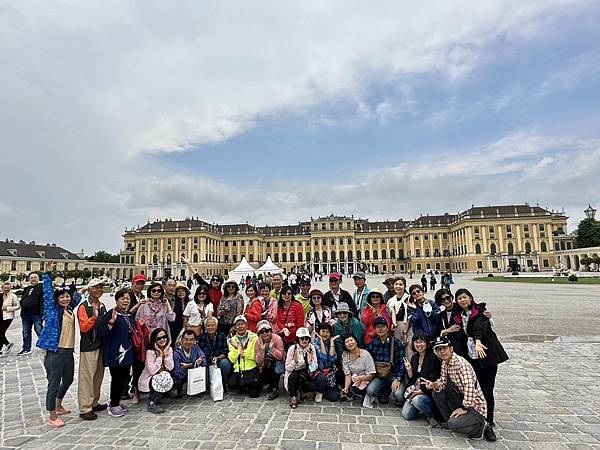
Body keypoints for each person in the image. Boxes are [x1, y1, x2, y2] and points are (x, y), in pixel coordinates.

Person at [454, 288, 508, 433]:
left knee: (487, 389)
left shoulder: (480, 312)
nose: (462, 300)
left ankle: (489, 420)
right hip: (472, 357)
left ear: (470, 298)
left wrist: (478, 341)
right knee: (475, 387)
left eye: (465, 297)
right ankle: (478, 415)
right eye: (459, 298)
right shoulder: (459, 315)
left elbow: (479, 328)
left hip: (486, 355)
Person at [36, 261, 83, 428]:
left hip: (68, 350)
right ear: (57, 299)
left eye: (66, 296)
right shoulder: (52, 310)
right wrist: (47, 274)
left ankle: (58, 404)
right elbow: (48, 294)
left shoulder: (69, 309)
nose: (65, 298)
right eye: (62, 297)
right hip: (55, 351)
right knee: (54, 383)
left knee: (68, 379)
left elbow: (76, 297)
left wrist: (78, 290)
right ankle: (52, 415)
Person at [423, 337, 494, 441]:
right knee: (437, 393)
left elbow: (469, 387)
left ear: (451, 348)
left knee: (454, 424)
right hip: (461, 399)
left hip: (475, 406)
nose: (442, 351)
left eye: (444, 348)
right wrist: (433, 384)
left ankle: (480, 426)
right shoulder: (445, 363)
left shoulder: (461, 364)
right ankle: (452, 420)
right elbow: (442, 383)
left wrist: (464, 409)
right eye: (439, 349)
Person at [100, 288, 137, 418]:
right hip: (116, 353)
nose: (125, 301)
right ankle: (113, 404)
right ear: (116, 300)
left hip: (127, 352)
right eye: (122, 298)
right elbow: (103, 333)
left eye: (127, 298)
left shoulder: (127, 315)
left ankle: (117, 401)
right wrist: (111, 323)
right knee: (117, 378)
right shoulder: (112, 314)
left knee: (124, 377)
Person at [77, 278, 108, 420]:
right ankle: (85, 408)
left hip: (101, 344)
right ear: (89, 289)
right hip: (89, 346)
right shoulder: (84, 306)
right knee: (86, 377)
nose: (99, 290)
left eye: (100, 288)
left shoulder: (101, 305)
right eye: (96, 288)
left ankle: (94, 402)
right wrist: (94, 318)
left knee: (98, 376)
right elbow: (83, 328)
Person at [402, 333, 441, 425]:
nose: (419, 344)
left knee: (417, 400)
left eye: (422, 342)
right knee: (406, 415)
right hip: (416, 388)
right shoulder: (415, 358)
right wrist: (409, 370)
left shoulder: (433, 358)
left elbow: (433, 380)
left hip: (428, 391)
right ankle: (421, 407)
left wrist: (419, 392)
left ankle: (430, 415)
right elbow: (412, 379)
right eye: (416, 342)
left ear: (427, 343)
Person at [365, 318, 404, 407]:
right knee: (370, 391)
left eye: (383, 326)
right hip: (380, 375)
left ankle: (392, 389)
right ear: (375, 329)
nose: (380, 329)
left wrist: (398, 379)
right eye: (378, 327)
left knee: (399, 395)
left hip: (393, 375)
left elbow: (402, 362)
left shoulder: (396, 343)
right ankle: (384, 390)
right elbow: (366, 356)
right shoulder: (373, 342)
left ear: (387, 328)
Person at [139, 328, 174, 414]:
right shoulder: (150, 352)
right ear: (154, 340)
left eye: (164, 337)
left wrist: (165, 355)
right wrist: (159, 357)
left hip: (164, 376)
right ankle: (153, 403)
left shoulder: (169, 350)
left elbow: (170, 367)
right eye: (159, 338)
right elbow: (152, 371)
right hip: (150, 379)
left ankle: (166, 392)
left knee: (169, 376)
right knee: (158, 378)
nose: (162, 340)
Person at [227, 315, 261, 397]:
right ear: (235, 327)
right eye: (238, 325)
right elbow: (231, 358)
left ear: (246, 325)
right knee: (232, 385)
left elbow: (253, 354)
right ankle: (244, 385)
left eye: (242, 324)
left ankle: (251, 385)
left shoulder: (254, 337)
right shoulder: (232, 340)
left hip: (251, 368)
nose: (240, 326)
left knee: (254, 395)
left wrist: (241, 351)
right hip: (239, 369)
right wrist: (239, 352)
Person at [284, 327, 318, 409]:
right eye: (302, 338)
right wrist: (294, 362)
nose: (304, 340)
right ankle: (293, 396)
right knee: (294, 376)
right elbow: (287, 368)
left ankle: (302, 390)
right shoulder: (292, 349)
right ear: (297, 339)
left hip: (305, 373)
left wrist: (310, 363)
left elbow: (315, 366)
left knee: (313, 386)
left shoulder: (311, 348)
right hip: (294, 372)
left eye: (306, 338)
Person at [198, 317, 232, 391]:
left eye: (213, 325)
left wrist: (218, 358)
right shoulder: (201, 337)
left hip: (218, 361)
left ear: (216, 326)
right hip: (206, 362)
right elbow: (199, 352)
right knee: (206, 382)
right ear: (205, 327)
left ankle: (223, 382)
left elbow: (225, 352)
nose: (210, 327)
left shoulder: (222, 335)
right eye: (208, 325)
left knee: (225, 363)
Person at [340, 335, 376, 405]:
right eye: (347, 342)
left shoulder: (365, 354)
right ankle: (351, 392)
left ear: (356, 342)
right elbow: (348, 374)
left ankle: (367, 394)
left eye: (351, 340)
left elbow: (371, 374)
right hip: (355, 379)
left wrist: (360, 378)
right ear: (345, 345)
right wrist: (346, 387)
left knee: (367, 390)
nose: (350, 343)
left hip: (367, 378)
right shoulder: (345, 354)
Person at [254, 319, 285, 400]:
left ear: (271, 331)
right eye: (262, 332)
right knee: (255, 390)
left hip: (276, 363)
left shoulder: (277, 339)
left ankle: (275, 388)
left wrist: (273, 349)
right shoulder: (258, 342)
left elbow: (281, 356)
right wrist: (261, 351)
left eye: (267, 331)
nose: (265, 333)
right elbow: (258, 361)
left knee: (274, 361)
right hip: (264, 365)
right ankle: (268, 383)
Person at [171, 329, 206, 398]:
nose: (188, 342)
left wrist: (201, 361)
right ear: (182, 340)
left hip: (193, 375)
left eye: (191, 339)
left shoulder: (195, 347)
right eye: (186, 339)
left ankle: (196, 388)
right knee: (175, 393)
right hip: (180, 377)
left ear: (195, 340)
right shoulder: (176, 353)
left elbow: (203, 357)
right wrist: (184, 368)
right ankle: (177, 389)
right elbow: (176, 373)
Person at [313, 323, 341, 402]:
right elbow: (324, 357)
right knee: (321, 378)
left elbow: (332, 358)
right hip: (319, 373)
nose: (325, 334)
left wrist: (332, 343)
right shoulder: (314, 343)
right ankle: (319, 391)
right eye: (323, 331)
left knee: (334, 397)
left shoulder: (330, 342)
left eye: (327, 332)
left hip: (330, 373)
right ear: (319, 332)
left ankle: (331, 387)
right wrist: (321, 341)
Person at [17, 271, 44, 355]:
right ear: (29, 279)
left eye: (35, 277)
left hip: (36, 313)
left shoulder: (41, 287)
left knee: (39, 330)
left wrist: (43, 313)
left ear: (38, 279)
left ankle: (46, 346)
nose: (33, 279)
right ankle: (26, 348)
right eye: (31, 278)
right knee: (25, 332)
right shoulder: (26, 288)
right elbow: (22, 299)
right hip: (25, 314)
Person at [276, 286, 305, 351]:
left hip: (295, 337)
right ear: (281, 295)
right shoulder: (280, 306)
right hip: (284, 336)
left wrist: (296, 335)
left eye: (289, 293)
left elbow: (300, 323)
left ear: (292, 294)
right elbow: (278, 321)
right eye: (284, 293)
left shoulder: (297, 305)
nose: (286, 295)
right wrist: (284, 328)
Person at [386, 276, 411, 345]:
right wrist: (393, 324)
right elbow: (390, 313)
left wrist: (405, 332)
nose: (398, 286)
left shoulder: (409, 299)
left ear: (405, 286)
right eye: (396, 284)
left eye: (400, 284)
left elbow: (410, 317)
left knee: (408, 351)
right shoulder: (391, 300)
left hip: (407, 327)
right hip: (396, 329)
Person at [1, 281, 19, 356]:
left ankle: (1, 350)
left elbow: (18, 306)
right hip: (1, 316)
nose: (6, 289)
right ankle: (8, 344)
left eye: (8, 288)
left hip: (8, 317)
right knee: (1, 333)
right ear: (2, 288)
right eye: (5, 288)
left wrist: (7, 308)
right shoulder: (0, 295)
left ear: (10, 288)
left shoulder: (13, 296)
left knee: (1, 332)